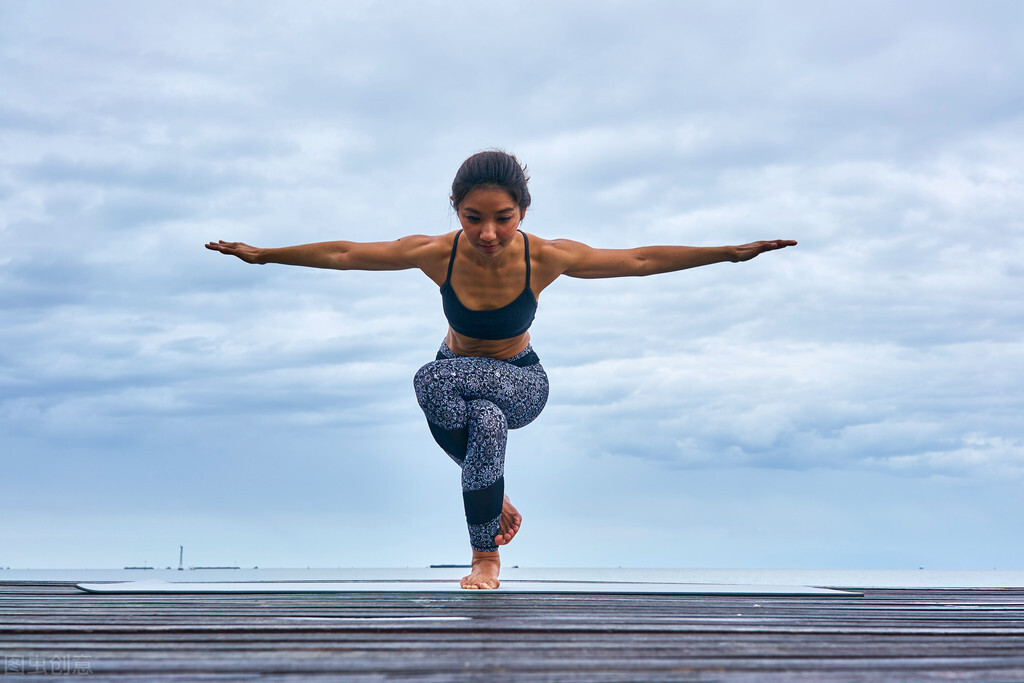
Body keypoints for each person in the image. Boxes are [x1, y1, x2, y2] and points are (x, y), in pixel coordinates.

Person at [206, 150, 796, 589]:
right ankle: (485, 553)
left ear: (522, 213)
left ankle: (489, 512)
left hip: (523, 382)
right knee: (479, 419)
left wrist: (726, 252)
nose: (487, 233)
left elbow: (640, 259)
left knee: (438, 382)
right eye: (473, 218)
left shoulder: (548, 256)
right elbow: (343, 252)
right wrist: (264, 255)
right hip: (463, 382)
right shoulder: (436, 252)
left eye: (503, 218)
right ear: (456, 213)